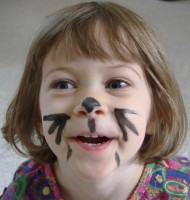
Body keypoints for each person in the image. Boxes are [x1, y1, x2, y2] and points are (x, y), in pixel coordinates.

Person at [1, 1, 189, 199]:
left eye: (117, 84)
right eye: (63, 85)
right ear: (37, 115)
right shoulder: (25, 190)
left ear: (157, 113)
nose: (89, 104)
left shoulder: (181, 189)